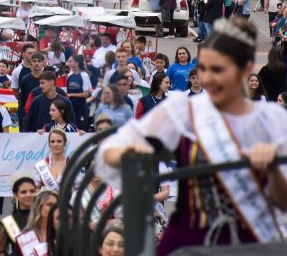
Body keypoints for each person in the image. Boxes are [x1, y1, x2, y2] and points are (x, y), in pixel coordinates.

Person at [98, 17, 287, 253]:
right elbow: (115, 147)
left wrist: (271, 168)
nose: (208, 79)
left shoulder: (272, 120)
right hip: (189, 238)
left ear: (245, 68)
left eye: (218, 69)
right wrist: (133, 151)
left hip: (247, 239)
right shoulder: (184, 111)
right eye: (204, 69)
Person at [0, 177, 37, 255]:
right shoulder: (9, 222)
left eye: (32, 191)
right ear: (16, 195)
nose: (28, 195)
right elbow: (0, 252)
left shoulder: (43, 216)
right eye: (23, 192)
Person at [15, 190, 58, 256]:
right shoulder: (25, 237)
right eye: (49, 205)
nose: (54, 208)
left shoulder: (63, 233)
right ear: (38, 207)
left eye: (56, 205)